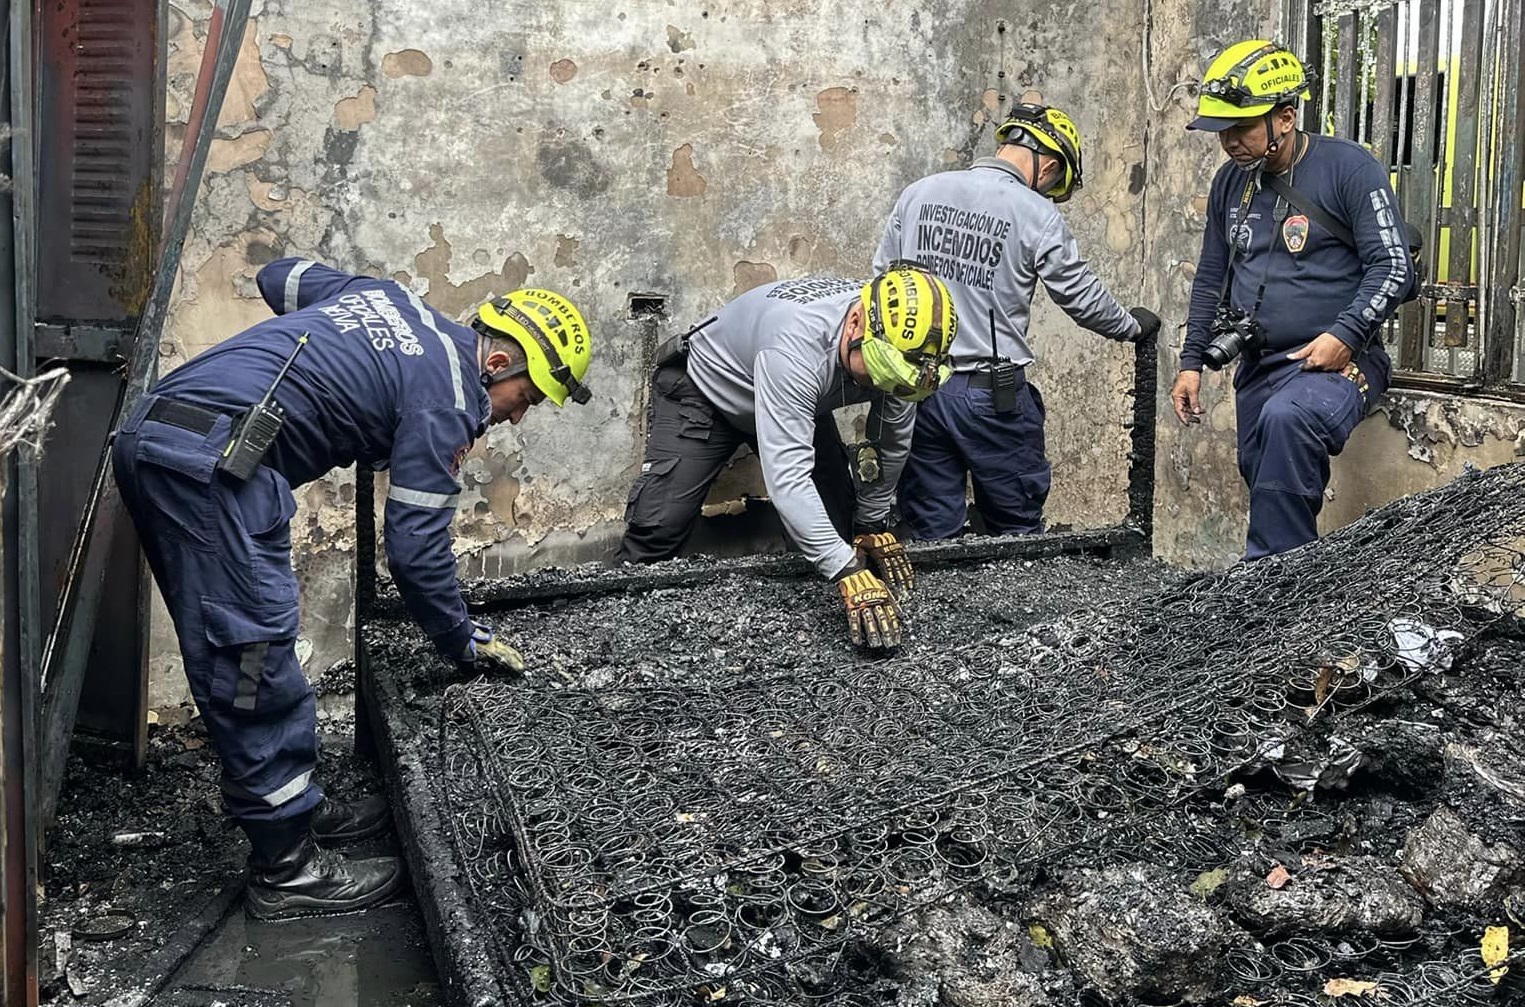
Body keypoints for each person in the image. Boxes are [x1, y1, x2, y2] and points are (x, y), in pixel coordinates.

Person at [111, 258, 592, 918]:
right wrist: (460, 638)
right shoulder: (446, 399)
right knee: (252, 653)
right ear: (501, 360)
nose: (516, 418)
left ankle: (299, 806)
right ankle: (286, 870)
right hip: (213, 469)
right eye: (528, 398)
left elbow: (279, 276)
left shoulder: (387, 298)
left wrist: (344, 364)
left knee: (244, 642)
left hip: (165, 432)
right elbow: (416, 552)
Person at [614, 265, 958, 650]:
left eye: (893, 382)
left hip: (795, 398)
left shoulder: (903, 349)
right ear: (856, 323)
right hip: (707, 393)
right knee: (660, 522)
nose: (881, 387)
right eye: (879, 373)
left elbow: (892, 442)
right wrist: (845, 567)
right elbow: (789, 480)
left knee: (835, 517)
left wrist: (872, 520)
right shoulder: (796, 347)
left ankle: (815, 637)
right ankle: (615, 626)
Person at [1171, 40, 1415, 558]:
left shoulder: (1349, 169)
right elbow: (1211, 278)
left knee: (1289, 422)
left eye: (1241, 128)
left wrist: (1345, 336)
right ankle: (1299, 593)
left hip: (1337, 363)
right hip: (1260, 365)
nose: (1230, 143)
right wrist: (1191, 362)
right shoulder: (1228, 184)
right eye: (1222, 132)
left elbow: (1395, 266)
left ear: (1285, 117)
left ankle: (1267, 597)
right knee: (1265, 475)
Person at [873, 102, 1160, 539]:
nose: (1047, 192)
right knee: (1017, 532)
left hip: (917, 389)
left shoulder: (919, 192)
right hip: (990, 396)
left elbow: (881, 281)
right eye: (1052, 183)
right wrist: (1131, 326)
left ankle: (943, 607)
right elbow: (1078, 296)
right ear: (1048, 164)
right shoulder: (1035, 213)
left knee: (931, 532)